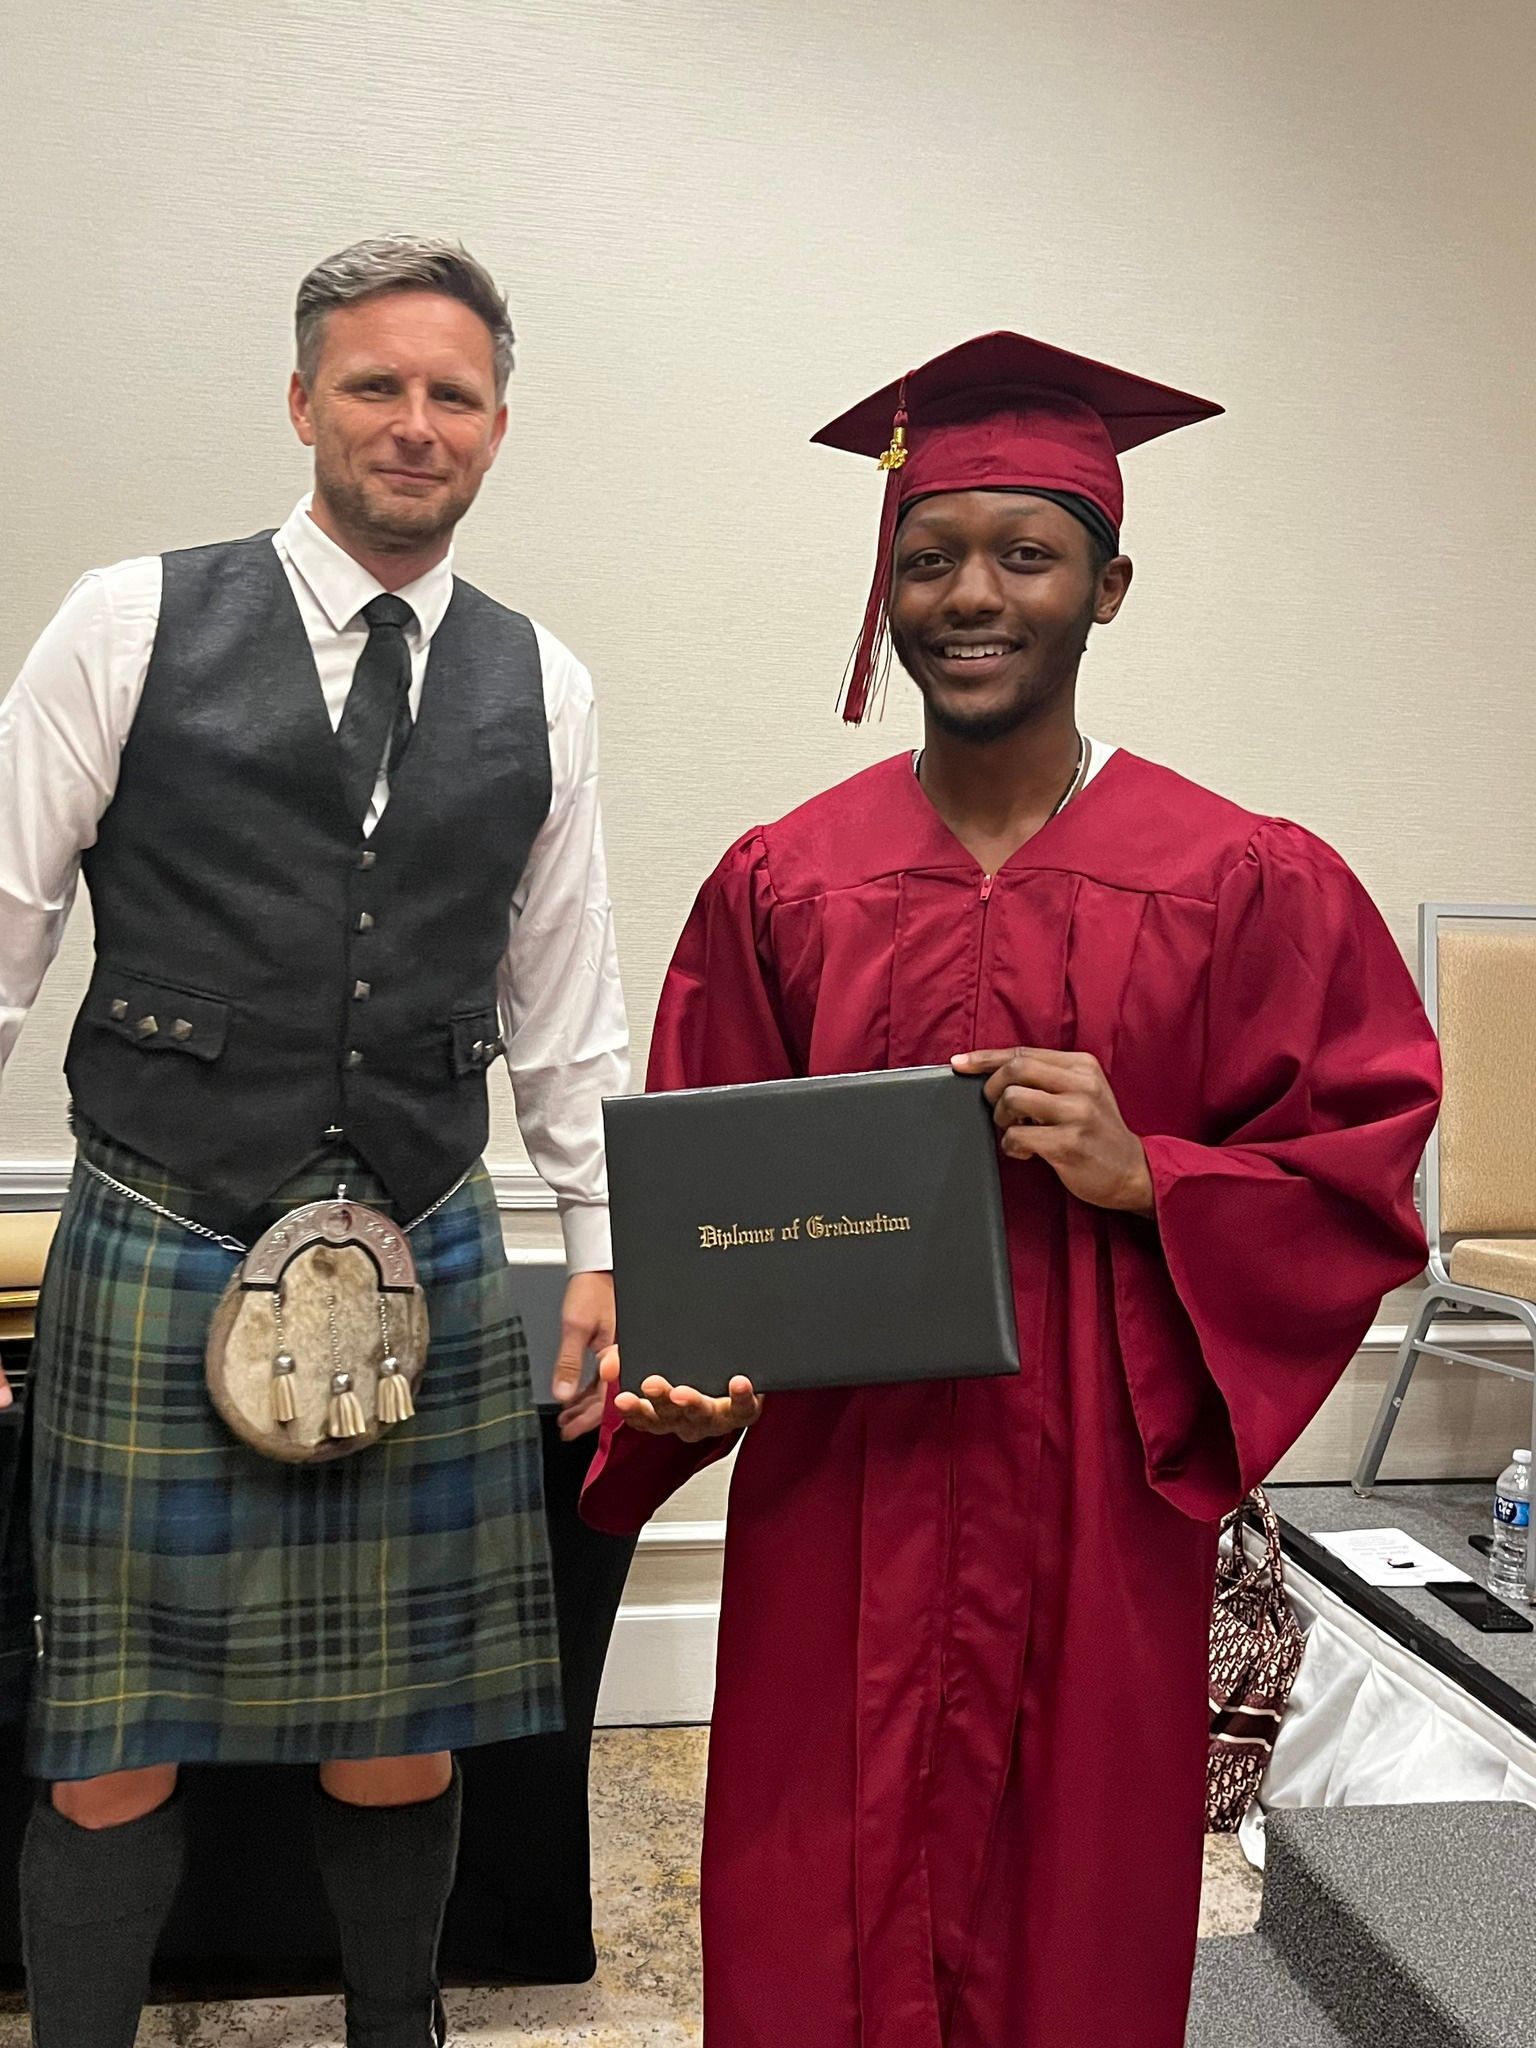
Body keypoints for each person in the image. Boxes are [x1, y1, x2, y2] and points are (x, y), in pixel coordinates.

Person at [581, 331, 1442, 2048]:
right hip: (845, 1496)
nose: (973, 594)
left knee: (1073, 1927)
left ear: (1108, 585)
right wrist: (679, 1381)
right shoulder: (787, 880)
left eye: (1026, 554)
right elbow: (705, 1194)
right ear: (884, 587)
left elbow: (1354, 1172)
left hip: (1095, 1501)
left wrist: (1157, 1175)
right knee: (817, 1902)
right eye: (928, 556)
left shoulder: (1240, 875)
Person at [0, 235, 628, 2048]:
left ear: (499, 427)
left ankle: (394, 2030)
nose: (412, 423)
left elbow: (566, 997)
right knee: (111, 1740)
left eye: (452, 394)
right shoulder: (126, 620)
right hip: (158, 1220)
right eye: (375, 385)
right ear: (302, 403)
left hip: (419, 1233)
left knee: (400, 1724)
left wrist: (600, 1243)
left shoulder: (547, 686)